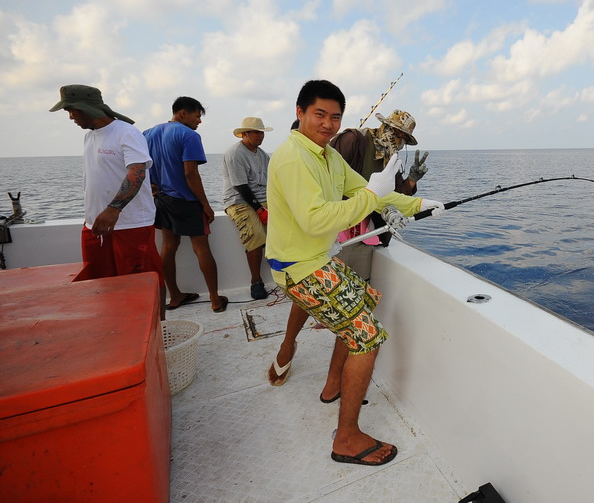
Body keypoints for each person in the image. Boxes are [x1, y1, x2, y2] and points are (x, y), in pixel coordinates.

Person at [265, 79, 445, 466]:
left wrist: (418, 204)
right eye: (319, 115)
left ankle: (333, 386)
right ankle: (345, 438)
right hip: (299, 268)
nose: (328, 123)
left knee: (363, 301)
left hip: (318, 259)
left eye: (335, 116)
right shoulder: (294, 158)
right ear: (299, 113)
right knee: (368, 337)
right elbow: (317, 220)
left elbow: (373, 190)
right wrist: (371, 194)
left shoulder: (326, 155)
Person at [49, 85, 166, 318]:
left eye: (71, 110)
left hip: (130, 224)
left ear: (86, 108)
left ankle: (157, 332)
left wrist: (114, 209)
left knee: (143, 282)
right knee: (101, 284)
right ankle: (119, 328)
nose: (70, 117)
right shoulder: (89, 136)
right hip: (95, 226)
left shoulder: (126, 133)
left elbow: (137, 172)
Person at [143, 96, 228, 313]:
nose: (199, 121)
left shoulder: (148, 134)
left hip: (162, 199)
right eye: (197, 116)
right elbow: (190, 173)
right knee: (201, 248)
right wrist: (205, 205)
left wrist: (154, 186)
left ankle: (174, 296)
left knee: (168, 248)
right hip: (186, 201)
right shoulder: (189, 135)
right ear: (183, 113)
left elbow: (143, 167)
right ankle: (215, 299)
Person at [329, 109, 428, 280]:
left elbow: (395, 196)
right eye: (396, 133)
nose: (398, 140)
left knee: (359, 283)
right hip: (336, 227)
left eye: (403, 138)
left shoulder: (390, 158)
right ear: (384, 126)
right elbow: (328, 178)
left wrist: (412, 180)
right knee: (332, 282)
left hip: (365, 232)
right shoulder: (352, 140)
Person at [223, 116, 273, 300]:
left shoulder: (262, 155)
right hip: (239, 201)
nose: (261, 136)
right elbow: (241, 186)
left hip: (262, 199)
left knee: (286, 227)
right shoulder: (235, 153)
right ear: (245, 134)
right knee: (256, 234)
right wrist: (260, 210)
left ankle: (285, 273)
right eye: (257, 132)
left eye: (262, 132)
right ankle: (256, 281)